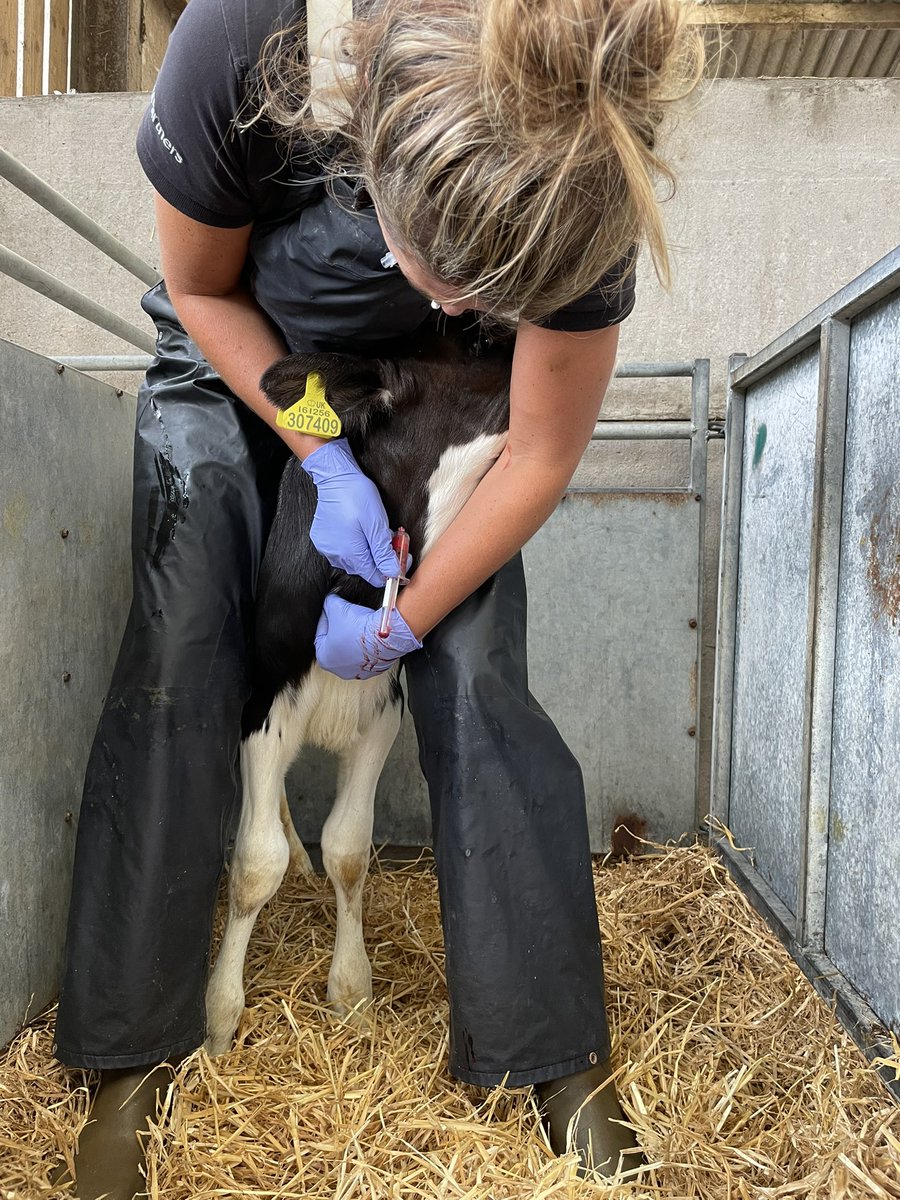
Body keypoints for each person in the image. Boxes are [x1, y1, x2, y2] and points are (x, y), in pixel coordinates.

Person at [53, 1, 703, 1195]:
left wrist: (408, 613)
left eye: (488, 289)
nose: (455, 299)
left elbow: (543, 453)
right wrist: (323, 456)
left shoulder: (585, 179)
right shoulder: (244, 39)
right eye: (437, 265)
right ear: (372, 147)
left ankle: (550, 1055)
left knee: (477, 662)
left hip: (452, 403)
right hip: (251, 347)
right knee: (184, 621)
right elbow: (203, 291)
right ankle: (133, 1050)